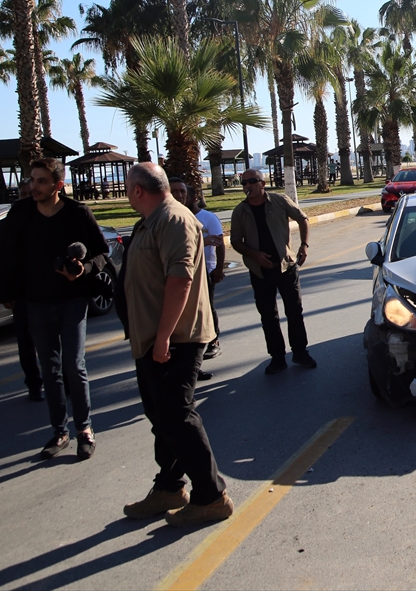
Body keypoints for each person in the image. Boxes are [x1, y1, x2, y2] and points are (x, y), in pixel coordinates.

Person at [120, 163, 234, 526]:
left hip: (175, 338)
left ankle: (211, 496)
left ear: (138, 190)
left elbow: (180, 279)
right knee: (163, 417)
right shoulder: (150, 221)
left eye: (127, 187)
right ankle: (169, 487)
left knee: (177, 416)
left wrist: (163, 336)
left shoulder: (174, 219)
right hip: (152, 337)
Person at [0, 158, 108, 460]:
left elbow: (102, 252)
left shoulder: (78, 213)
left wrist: (84, 269)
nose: (34, 186)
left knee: (73, 366)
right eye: (32, 179)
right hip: (35, 303)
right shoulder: (20, 213)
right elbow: (5, 256)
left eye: (41, 181)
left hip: (72, 301)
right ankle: (59, 432)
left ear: (58, 185)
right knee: (50, 370)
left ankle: (84, 429)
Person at [229, 168, 315, 374]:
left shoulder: (279, 201)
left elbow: (302, 218)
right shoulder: (240, 211)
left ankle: (300, 352)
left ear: (262, 184)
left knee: (294, 311)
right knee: (268, 316)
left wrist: (304, 245)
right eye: (244, 183)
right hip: (260, 271)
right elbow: (236, 241)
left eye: (251, 181)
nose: (247, 186)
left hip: (286, 267)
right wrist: (255, 255)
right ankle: (277, 357)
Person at [168, 178, 224, 363]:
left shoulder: (207, 218)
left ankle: (213, 341)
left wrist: (218, 269)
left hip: (204, 272)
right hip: (179, 273)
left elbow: (219, 243)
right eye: (174, 192)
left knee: (206, 307)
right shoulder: (170, 218)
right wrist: (202, 241)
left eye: (182, 192)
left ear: (192, 197)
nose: (179, 196)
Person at [0, 177, 43, 402]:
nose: (27, 198)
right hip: (21, 294)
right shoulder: (8, 223)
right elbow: (1, 262)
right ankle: (33, 384)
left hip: (46, 294)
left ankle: (62, 380)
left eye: (30, 193)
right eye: (23, 194)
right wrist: (2, 293)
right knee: (25, 344)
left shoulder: (46, 221)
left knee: (52, 342)